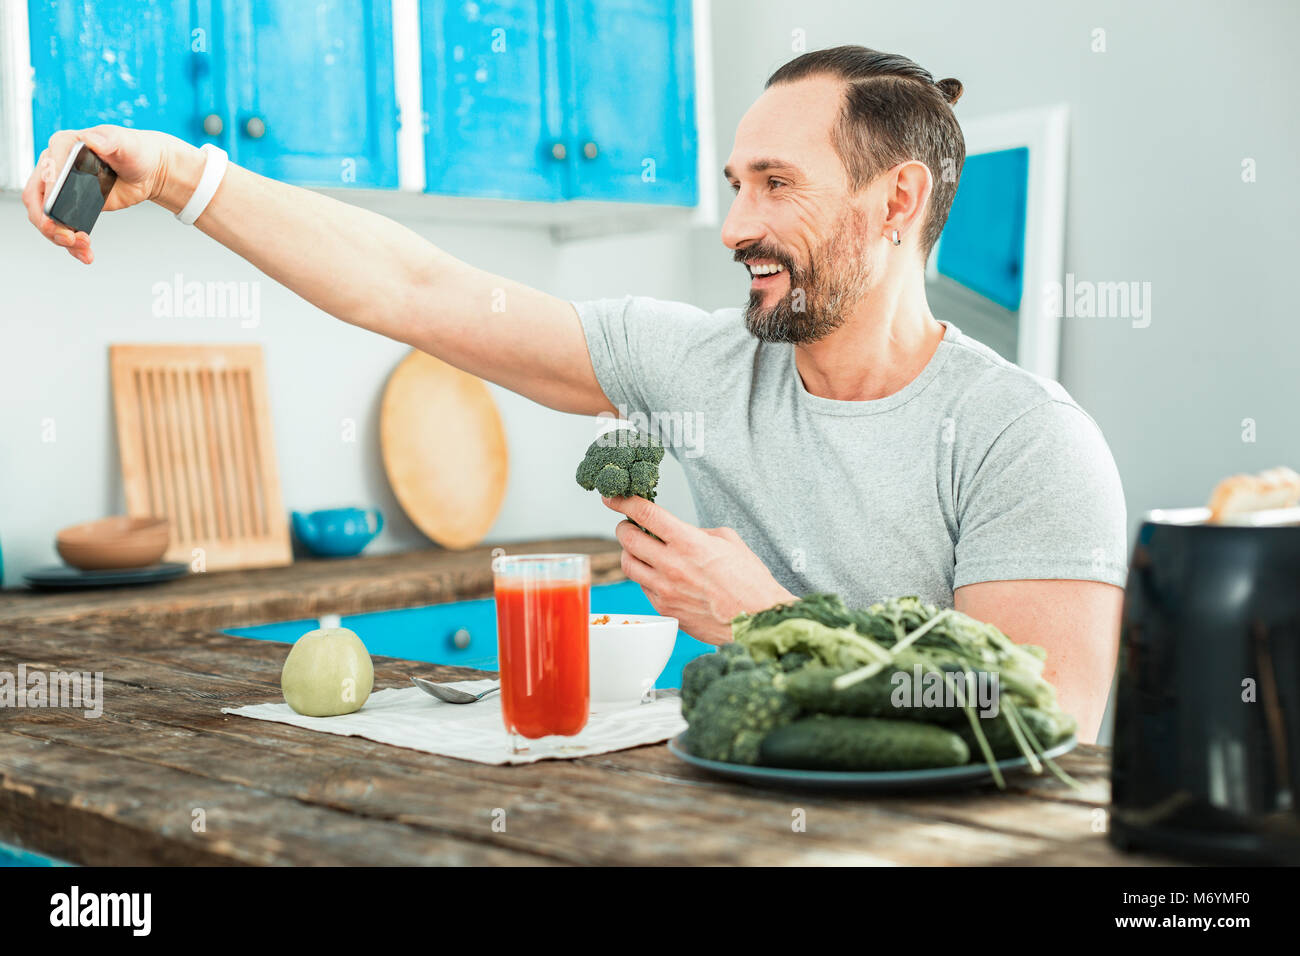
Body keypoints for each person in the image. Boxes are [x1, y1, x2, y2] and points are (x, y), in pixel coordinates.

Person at [22, 46, 1126, 741]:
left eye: (776, 184)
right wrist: (180, 175)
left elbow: (1044, 716)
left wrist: (769, 621)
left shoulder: (1022, 438)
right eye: (734, 183)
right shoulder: (697, 364)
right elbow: (412, 287)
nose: (736, 223)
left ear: (898, 201)